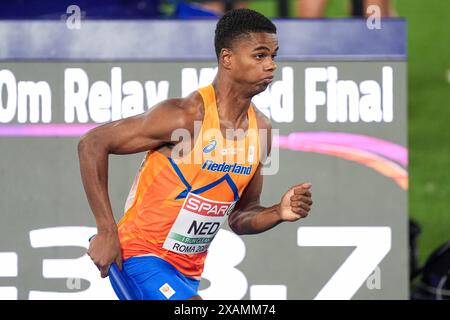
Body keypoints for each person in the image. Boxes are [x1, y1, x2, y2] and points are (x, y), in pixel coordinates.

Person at [78, 8, 313, 300]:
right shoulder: (185, 117)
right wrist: (107, 231)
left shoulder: (261, 131)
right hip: (139, 256)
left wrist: (277, 211)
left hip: (188, 274)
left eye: (274, 56)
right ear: (227, 59)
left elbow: (241, 217)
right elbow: (92, 143)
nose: (271, 66)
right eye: (259, 55)